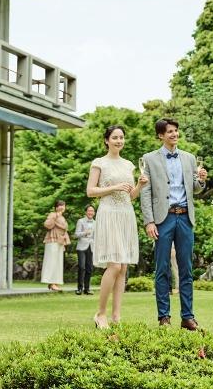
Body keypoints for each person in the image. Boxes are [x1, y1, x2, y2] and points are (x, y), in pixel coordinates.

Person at [140, 118, 207, 330]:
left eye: (176, 131)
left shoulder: (188, 158)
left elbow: (194, 188)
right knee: (162, 269)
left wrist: (202, 180)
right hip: (163, 219)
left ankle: (188, 317)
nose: (174, 134)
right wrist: (149, 221)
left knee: (186, 269)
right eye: (169, 131)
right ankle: (164, 317)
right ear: (161, 135)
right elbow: (146, 191)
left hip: (185, 217)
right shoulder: (149, 159)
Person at [87, 124, 148, 328]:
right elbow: (90, 191)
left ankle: (116, 316)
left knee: (122, 267)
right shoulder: (99, 163)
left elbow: (130, 195)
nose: (119, 141)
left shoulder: (129, 164)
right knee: (113, 265)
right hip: (108, 213)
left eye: (122, 137)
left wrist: (140, 185)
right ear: (107, 140)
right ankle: (100, 313)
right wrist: (113, 187)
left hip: (125, 214)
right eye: (115, 137)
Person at [41, 200, 69, 291]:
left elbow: (65, 229)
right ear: (56, 207)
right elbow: (47, 225)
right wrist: (56, 216)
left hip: (60, 241)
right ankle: (51, 282)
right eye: (60, 205)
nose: (62, 207)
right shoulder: (53, 214)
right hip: (52, 240)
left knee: (58, 262)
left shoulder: (63, 217)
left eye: (63, 205)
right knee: (52, 261)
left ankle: (55, 283)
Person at [74, 204, 96, 295]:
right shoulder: (80, 221)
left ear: (94, 213)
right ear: (86, 212)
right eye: (89, 210)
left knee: (89, 268)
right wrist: (85, 232)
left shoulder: (96, 223)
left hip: (91, 247)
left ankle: (87, 289)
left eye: (92, 211)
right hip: (81, 247)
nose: (91, 212)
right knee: (81, 267)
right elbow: (76, 234)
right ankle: (79, 288)